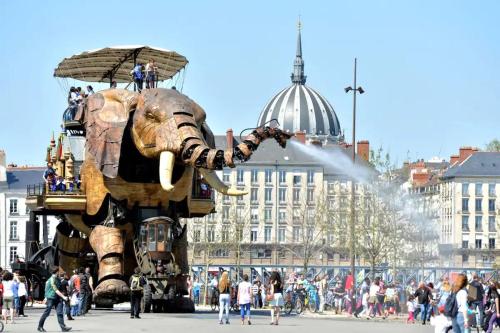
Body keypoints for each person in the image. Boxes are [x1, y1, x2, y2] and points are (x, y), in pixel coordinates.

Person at [37, 266, 72, 332]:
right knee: (47, 313)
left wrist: (66, 295)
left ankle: (63, 327)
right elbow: (55, 290)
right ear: (57, 272)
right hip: (51, 297)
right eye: (59, 271)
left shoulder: (57, 279)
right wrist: (64, 297)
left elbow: (59, 288)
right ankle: (40, 326)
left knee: (60, 313)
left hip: (57, 298)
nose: (59, 272)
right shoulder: (51, 279)